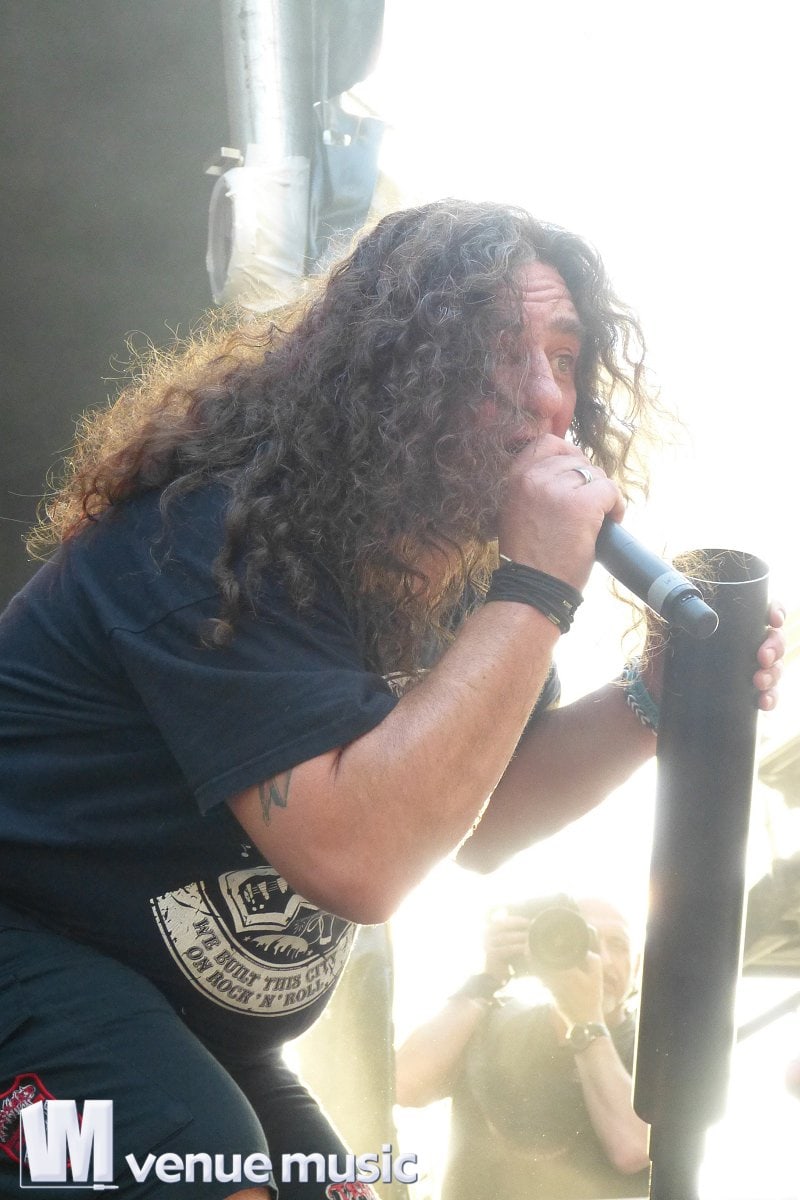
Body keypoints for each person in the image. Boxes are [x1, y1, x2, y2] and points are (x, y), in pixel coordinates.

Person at [0, 199, 784, 1199]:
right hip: (28, 952)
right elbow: (358, 859)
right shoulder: (218, 538)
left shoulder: (462, 590)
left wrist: (651, 696)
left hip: (189, 1023)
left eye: (563, 356)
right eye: (495, 356)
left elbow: (480, 821)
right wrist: (539, 587)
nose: (546, 396)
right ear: (392, 378)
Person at [396, 895, 650, 1198]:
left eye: (618, 945)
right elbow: (402, 1086)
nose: (603, 960)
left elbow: (634, 1150)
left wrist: (584, 1021)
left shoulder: (656, 1049)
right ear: (541, 947)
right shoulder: (495, 1021)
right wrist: (487, 980)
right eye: (585, 939)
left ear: (637, 966)